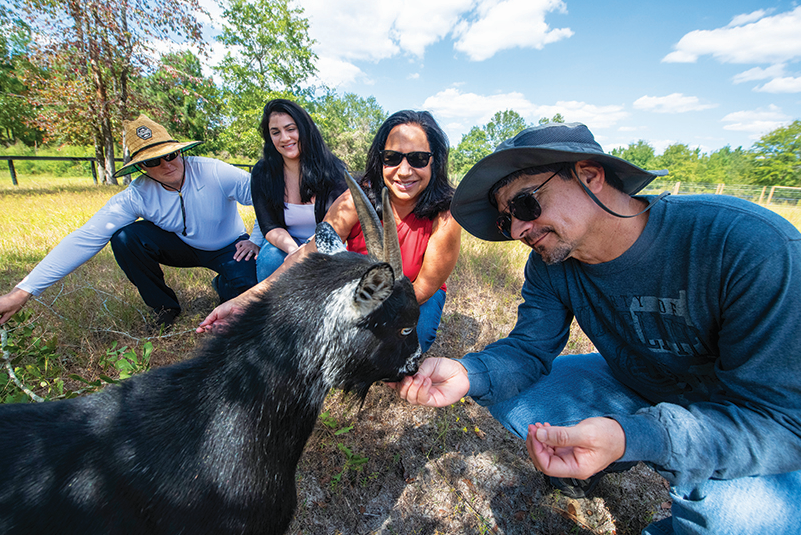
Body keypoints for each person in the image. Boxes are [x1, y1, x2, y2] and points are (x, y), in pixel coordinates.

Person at [392, 122, 801, 534]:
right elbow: (529, 351)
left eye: (525, 205)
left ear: (590, 176)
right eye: (505, 222)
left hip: (737, 411)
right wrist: (467, 373)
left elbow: (781, 422)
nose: (517, 230)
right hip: (639, 381)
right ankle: (603, 454)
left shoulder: (748, 246)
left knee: (742, 522)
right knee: (506, 391)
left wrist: (636, 435)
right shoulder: (549, 266)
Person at [200, 110, 461, 353]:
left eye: (418, 159)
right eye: (392, 158)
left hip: (409, 293)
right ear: (380, 160)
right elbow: (309, 255)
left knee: (413, 338)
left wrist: (362, 313)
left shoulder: (446, 215)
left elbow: (424, 287)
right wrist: (246, 300)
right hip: (361, 290)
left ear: (434, 162)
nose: (404, 171)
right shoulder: (353, 201)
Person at [0, 114, 260, 329]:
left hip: (230, 247)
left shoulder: (214, 171)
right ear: (141, 168)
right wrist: (22, 293)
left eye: (171, 154)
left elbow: (264, 197)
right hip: (180, 245)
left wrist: (256, 239)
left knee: (245, 299)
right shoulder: (137, 194)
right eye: (153, 161)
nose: (167, 164)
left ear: (179, 152)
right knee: (125, 237)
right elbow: (86, 237)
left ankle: (223, 282)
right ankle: (163, 308)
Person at [249, 99, 348, 282]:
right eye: (275, 132)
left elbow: (337, 224)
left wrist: (307, 251)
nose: (284, 138)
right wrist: (293, 251)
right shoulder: (262, 173)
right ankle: (271, 309)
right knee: (270, 259)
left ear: (304, 129)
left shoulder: (334, 170)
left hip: (328, 242)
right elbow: (269, 226)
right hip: (285, 243)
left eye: (291, 129)